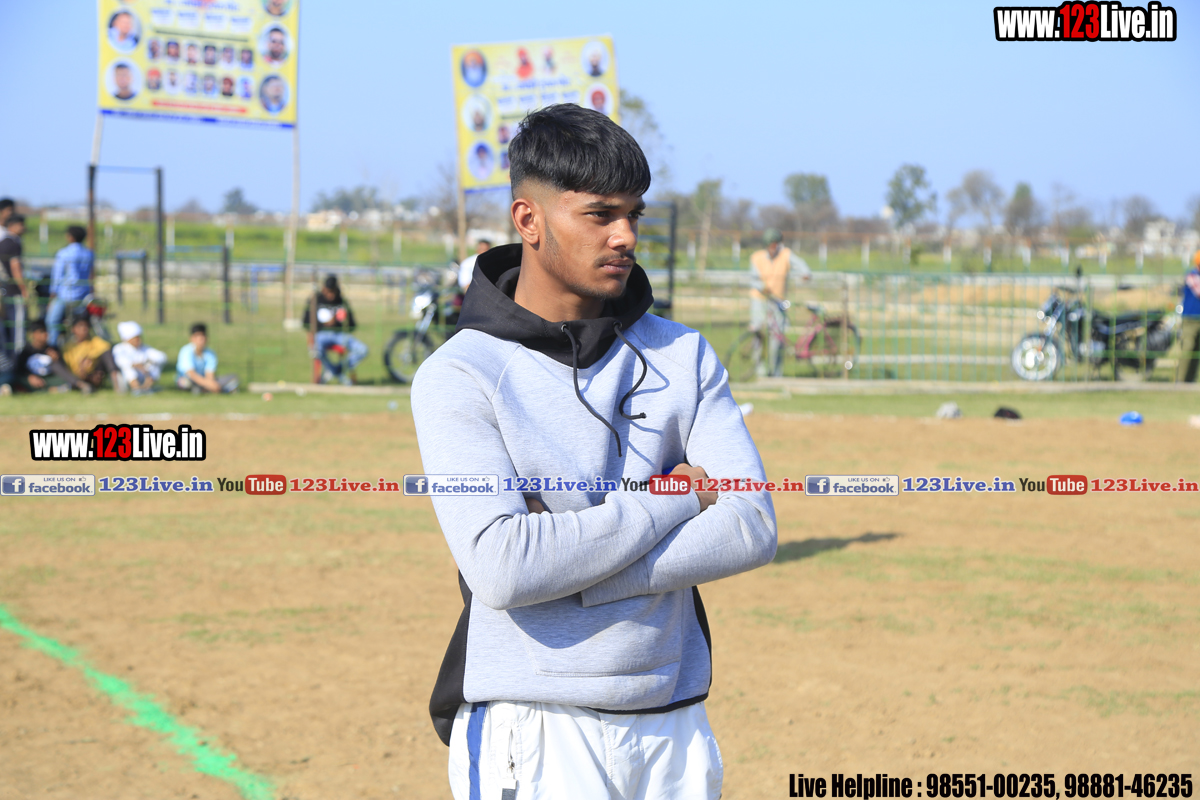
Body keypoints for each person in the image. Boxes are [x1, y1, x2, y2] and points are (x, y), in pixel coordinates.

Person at [411, 104, 776, 800]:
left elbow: (752, 526)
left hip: (675, 720)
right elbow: (504, 568)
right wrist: (673, 499)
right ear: (528, 220)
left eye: (634, 214)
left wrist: (575, 567)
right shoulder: (460, 374)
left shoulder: (684, 354)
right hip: (534, 728)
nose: (626, 236)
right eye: (600, 214)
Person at [747, 228, 811, 377]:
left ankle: (776, 373)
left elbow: (803, 268)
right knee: (759, 335)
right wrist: (763, 287)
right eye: (771, 244)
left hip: (778, 301)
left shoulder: (786, 255)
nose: (774, 248)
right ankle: (760, 371)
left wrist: (805, 275)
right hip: (760, 300)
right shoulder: (756, 257)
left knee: (778, 338)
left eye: (776, 244)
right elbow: (753, 279)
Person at [303, 275, 367, 385]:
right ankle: (337, 372)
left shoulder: (341, 301)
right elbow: (306, 322)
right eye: (328, 291)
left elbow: (352, 325)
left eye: (333, 291)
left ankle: (335, 370)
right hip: (321, 335)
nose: (330, 295)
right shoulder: (315, 300)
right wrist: (324, 324)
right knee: (315, 350)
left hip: (339, 335)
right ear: (324, 289)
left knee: (363, 350)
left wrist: (339, 322)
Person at [46, 226, 93, 347]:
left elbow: (57, 276)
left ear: (70, 237)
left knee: (52, 322)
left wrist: (52, 295)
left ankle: (52, 347)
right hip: (83, 296)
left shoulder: (64, 253)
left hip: (64, 294)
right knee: (79, 323)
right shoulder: (89, 253)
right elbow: (90, 274)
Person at [13, 320, 91, 393]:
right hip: (33, 379)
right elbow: (19, 371)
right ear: (33, 334)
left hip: (49, 379)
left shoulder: (52, 349)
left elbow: (62, 369)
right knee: (20, 381)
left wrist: (57, 359)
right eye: (41, 332)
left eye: (46, 331)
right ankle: (56, 389)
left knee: (59, 372)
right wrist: (29, 377)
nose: (45, 334)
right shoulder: (27, 351)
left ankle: (77, 384)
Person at [0, 214, 30, 391]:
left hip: (3, 293)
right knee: (18, 333)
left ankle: (8, 372)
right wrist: (24, 289)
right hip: (13, 292)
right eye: (22, 224)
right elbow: (15, 267)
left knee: (6, 334)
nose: (24, 228)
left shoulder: (2, 242)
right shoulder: (13, 242)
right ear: (15, 225)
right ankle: (16, 371)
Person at [176, 322, 238, 393]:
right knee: (184, 382)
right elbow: (191, 374)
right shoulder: (186, 351)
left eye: (202, 336)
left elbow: (210, 374)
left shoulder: (210, 353)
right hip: (190, 379)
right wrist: (209, 384)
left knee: (233, 378)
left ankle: (202, 389)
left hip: (205, 380)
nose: (200, 339)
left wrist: (210, 383)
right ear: (192, 338)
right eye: (197, 336)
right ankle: (207, 389)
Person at [63, 314, 118, 390]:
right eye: (80, 326)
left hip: (94, 371)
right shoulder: (69, 347)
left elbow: (106, 348)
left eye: (86, 326)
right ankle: (82, 385)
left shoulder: (95, 341)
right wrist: (82, 366)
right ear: (73, 329)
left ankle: (116, 379)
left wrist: (90, 358)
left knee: (106, 355)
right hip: (79, 375)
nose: (84, 329)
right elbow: (71, 368)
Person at [112, 321, 167, 394]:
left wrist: (147, 364)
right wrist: (136, 365)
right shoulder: (119, 348)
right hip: (124, 378)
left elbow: (162, 357)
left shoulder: (144, 348)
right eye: (136, 338)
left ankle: (146, 388)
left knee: (154, 366)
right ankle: (136, 388)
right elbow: (120, 361)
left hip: (143, 375)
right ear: (128, 338)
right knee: (128, 368)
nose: (139, 340)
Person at [1178, 250, 1200, 383]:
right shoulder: (1192, 275)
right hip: (1190, 319)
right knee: (1187, 348)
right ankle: (1181, 380)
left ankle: (1190, 380)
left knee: (1197, 351)